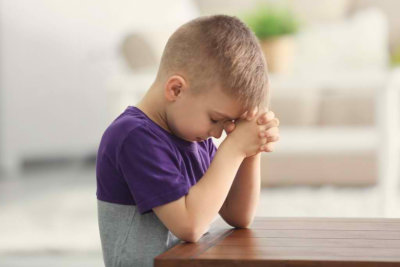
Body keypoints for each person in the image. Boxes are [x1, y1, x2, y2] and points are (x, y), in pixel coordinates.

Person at [96, 14, 280, 267]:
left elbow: (238, 216)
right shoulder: (134, 136)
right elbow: (190, 225)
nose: (218, 133)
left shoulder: (193, 134)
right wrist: (234, 148)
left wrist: (250, 147)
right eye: (216, 119)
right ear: (176, 90)